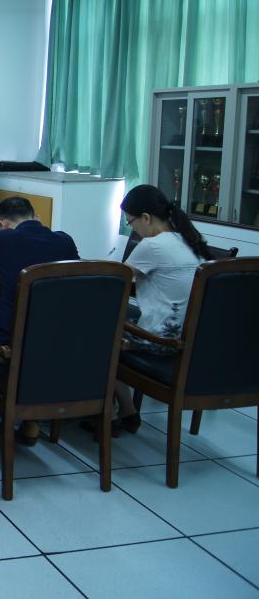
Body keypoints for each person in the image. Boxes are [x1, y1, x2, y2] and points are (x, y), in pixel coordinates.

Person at [0, 196, 80, 445]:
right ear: (35, 216)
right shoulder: (65, 241)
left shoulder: (1, 240)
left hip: (9, 344)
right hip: (57, 343)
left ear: (3, 223)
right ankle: (31, 421)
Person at [110, 184, 210, 433]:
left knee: (98, 334)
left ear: (145, 218)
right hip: (195, 342)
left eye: (130, 222)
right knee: (120, 321)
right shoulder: (187, 240)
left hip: (162, 342)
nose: (133, 229)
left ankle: (117, 412)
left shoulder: (153, 245)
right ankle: (122, 411)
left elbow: (113, 282)